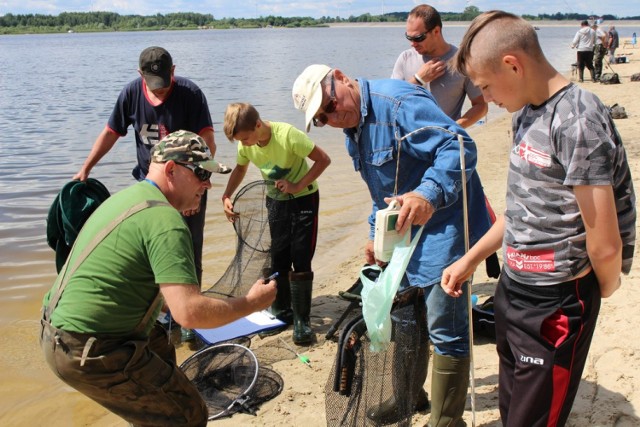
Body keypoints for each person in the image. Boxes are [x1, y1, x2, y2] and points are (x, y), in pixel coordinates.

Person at [442, 11, 636, 427]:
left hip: (556, 303)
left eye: (487, 86)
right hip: (513, 290)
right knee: (514, 411)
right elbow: (519, 211)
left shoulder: (577, 118)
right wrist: (470, 260)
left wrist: (596, 290)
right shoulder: (526, 114)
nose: (486, 98)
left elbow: (604, 239)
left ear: (513, 64)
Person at [292, 64, 492, 425]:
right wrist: (373, 234)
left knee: (445, 328)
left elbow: (459, 147)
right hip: (401, 238)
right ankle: (408, 398)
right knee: (404, 321)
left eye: (330, 103)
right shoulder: (353, 128)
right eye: (322, 118)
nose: (332, 116)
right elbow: (381, 191)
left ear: (340, 76)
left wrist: (427, 194)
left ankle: (447, 420)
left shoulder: (397, 102)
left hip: (443, 229)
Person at [40, 130, 277, 427]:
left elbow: (133, 280)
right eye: (201, 173)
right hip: (88, 349)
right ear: (171, 169)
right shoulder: (166, 221)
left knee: (162, 349)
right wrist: (252, 303)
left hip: (55, 333)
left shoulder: (128, 198)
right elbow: (189, 314)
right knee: (187, 413)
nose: (208, 183)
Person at [73, 46, 229, 290]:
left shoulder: (190, 93)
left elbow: (208, 141)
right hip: (151, 186)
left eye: (164, 82)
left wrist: (198, 186)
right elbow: (111, 133)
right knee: (151, 246)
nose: (159, 88)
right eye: (153, 82)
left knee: (189, 246)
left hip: (187, 182)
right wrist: (86, 168)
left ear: (173, 71)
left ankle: (188, 313)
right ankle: (157, 309)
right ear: (140, 73)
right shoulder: (131, 93)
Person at [221, 103, 331, 345]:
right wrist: (227, 195)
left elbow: (323, 160)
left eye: (247, 139)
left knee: (301, 256)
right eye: (241, 141)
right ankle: (281, 312)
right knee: (278, 256)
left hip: (304, 199)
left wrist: (297, 185)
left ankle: (302, 320)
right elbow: (240, 168)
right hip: (275, 202)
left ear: (258, 125)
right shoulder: (245, 144)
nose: (245, 144)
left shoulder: (288, 135)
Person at [391, 4, 487, 129]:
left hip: (445, 143)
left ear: (436, 31)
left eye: (418, 38)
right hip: (408, 142)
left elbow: (481, 106)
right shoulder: (405, 58)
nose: (412, 44)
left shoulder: (462, 62)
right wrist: (418, 80)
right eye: (409, 37)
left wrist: (454, 127)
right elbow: (390, 101)